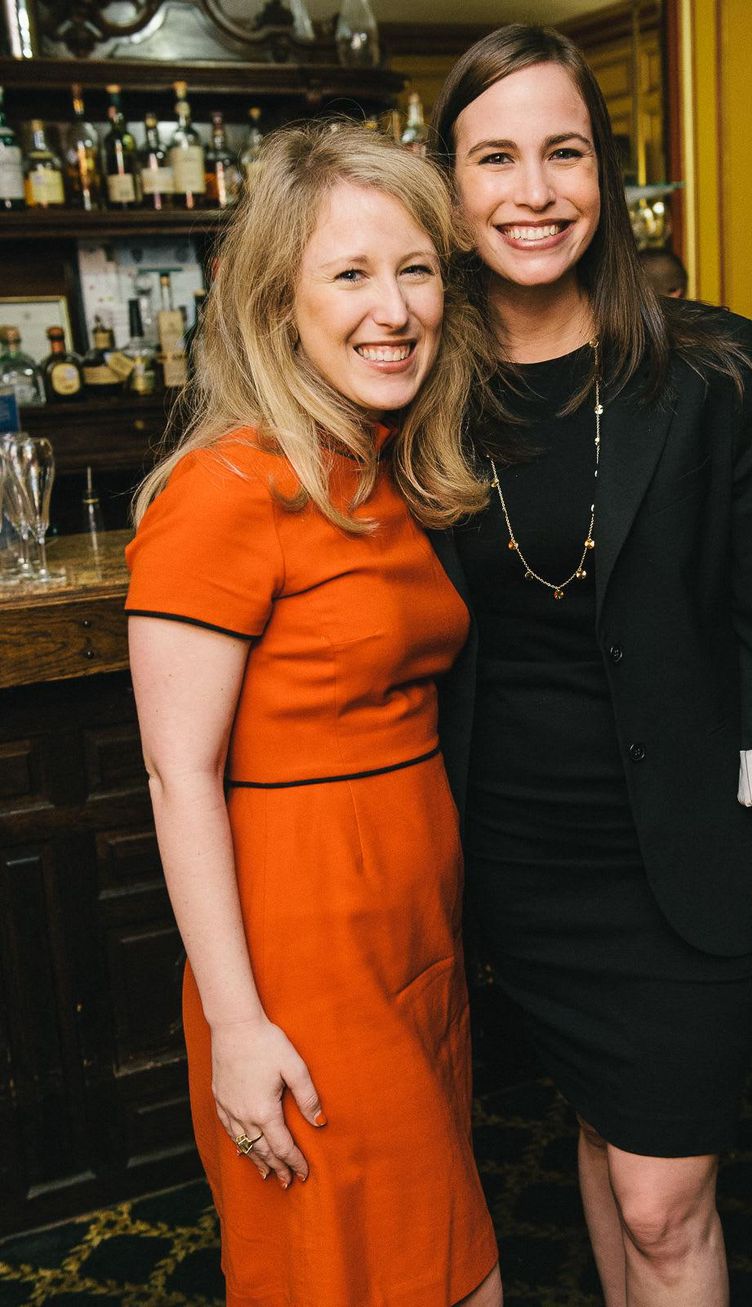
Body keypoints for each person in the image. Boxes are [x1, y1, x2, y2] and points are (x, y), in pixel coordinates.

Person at [429, 26, 752, 1307]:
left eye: (563, 152)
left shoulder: (708, 367)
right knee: (608, 1140)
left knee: (666, 1200)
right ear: (448, 184)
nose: (532, 190)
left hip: (680, 849)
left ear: (606, 176)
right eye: (494, 157)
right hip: (513, 852)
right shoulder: (418, 382)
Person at [125, 123, 501, 1307]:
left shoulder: (381, 466)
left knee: (434, 1264)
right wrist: (237, 1025)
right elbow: (177, 772)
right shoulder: (224, 487)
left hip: (412, 938)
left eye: (416, 269)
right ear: (276, 303)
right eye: (349, 273)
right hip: (303, 959)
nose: (392, 308)